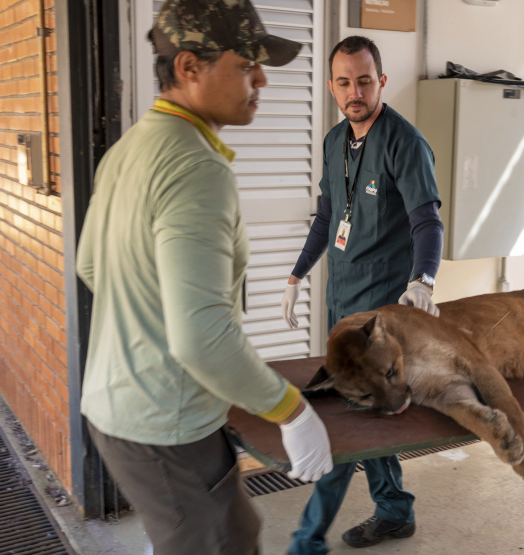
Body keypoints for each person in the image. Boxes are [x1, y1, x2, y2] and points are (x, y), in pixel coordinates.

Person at [75, 1, 334, 552]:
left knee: (233, 530)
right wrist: (293, 411)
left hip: (118, 406)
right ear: (190, 67)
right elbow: (201, 338)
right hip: (163, 425)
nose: (262, 79)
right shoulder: (195, 168)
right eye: (246, 66)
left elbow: (92, 267)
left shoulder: (128, 150)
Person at [281, 36, 444, 554]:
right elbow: (328, 217)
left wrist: (423, 279)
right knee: (364, 414)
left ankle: (308, 539)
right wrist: (296, 274)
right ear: (332, 86)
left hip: (379, 315)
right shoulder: (334, 142)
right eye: (345, 82)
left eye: (365, 80)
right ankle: (394, 509)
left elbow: (426, 220)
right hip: (340, 299)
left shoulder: (404, 141)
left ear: (382, 82)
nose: (356, 91)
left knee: (346, 420)